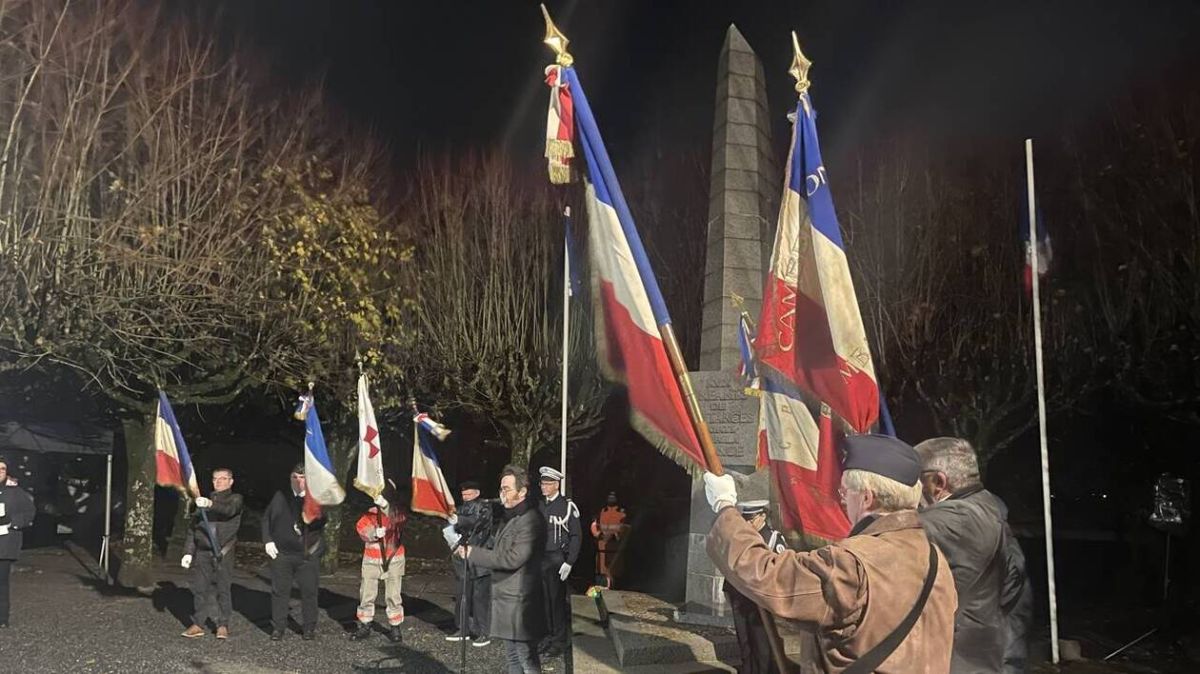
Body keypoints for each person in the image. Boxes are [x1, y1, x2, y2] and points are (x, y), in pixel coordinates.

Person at [704, 434, 957, 673]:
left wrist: (725, 507)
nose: (843, 500)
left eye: (844, 491)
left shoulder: (852, 563)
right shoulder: (935, 557)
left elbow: (767, 576)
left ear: (867, 498)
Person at [915, 437, 1030, 674]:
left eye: (914, 480)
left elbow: (888, 537)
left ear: (938, 481)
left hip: (963, 660)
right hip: (991, 655)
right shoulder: (989, 509)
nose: (911, 490)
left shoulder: (955, 519)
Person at [458, 465, 546, 673]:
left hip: (521, 601)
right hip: (507, 598)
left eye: (506, 489)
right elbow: (500, 548)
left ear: (522, 491)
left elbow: (513, 558)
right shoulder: (511, 517)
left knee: (526, 656)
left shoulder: (531, 519)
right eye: (501, 489)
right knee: (512, 656)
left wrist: (474, 553)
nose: (502, 493)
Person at [262, 462, 326, 641]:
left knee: (309, 592)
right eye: (294, 477)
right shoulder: (280, 496)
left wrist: (311, 512)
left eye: (302, 477)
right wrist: (267, 540)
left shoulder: (316, 499)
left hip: (307, 554)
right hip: (281, 554)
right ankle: (278, 627)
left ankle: (309, 628)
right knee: (279, 592)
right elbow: (266, 519)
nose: (298, 481)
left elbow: (322, 521)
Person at [724, 500, 789, 674]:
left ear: (762, 516)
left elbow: (784, 571)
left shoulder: (773, 538)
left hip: (760, 602)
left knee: (762, 645)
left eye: (751, 519)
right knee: (744, 643)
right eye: (745, 519)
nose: (748, 523)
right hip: (740, 598)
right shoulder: (742, 538)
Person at [180, 468, 244, 639]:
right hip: (203, 552)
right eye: (216, 479)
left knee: (223, 589)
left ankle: (223, 624)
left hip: (223, 551)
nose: (219, 482)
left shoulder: (235, 499)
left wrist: (210, 504)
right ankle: (198, 623)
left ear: (231, 481)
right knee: (200, 588)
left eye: (223, 478)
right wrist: (188, 552)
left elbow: (229, 510)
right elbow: (193, 530)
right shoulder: (203, 503)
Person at [351, 481, 407, 643]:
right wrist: (373, 533)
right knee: (367, 594)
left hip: (393, 559)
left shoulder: (397, 512)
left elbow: (400, 521)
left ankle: (395, 626)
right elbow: (361, 527)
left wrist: (385, 507)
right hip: (371, 560)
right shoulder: (370, 513)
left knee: (393, 595)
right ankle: (365, 624)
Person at [445, 480, 494, 646]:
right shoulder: (460, 508)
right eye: (463, 494)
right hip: (462, 555)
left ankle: (483, 632)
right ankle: (462, 628)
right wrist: (454, 539)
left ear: (477, 493)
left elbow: (476, 522)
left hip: (480, 555)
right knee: (462, 593)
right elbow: (451, 526)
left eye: (469, 493)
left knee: (480, 597)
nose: (465, 496)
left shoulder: (485, 507)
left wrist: (457, 519)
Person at [537, 466, 579, 659]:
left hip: (557, 558)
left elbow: (576, 536)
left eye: (546, 484)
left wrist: (569, 561)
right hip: (541, 558)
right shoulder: (540, 505)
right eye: (542, 483)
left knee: (556, 602)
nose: (543, 487)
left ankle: (559, 641)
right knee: (543, 601)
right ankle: (548, 636)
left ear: (556, 484)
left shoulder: (567, 506)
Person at [0, 457, 35, 628]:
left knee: (1, 582)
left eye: (2, 468)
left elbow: (30, 512)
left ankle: (2, 618)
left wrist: (13, 521)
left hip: (5, 543)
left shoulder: (16, 492)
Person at [589, 491, 629, 589]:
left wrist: (615, 535)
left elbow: (626, 528)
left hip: (616, 551)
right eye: (609, 496)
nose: (611, 499)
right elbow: (594, 525)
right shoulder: (601, 512)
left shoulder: (622, 513)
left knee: (616, 576)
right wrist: (599, 535)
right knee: (601, 575)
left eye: (613, 497)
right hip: (602, 549)